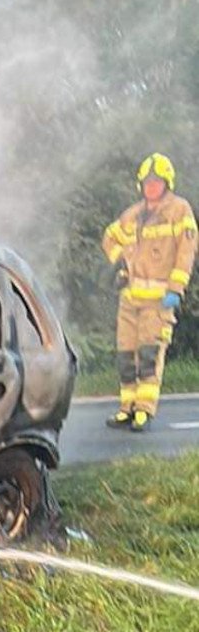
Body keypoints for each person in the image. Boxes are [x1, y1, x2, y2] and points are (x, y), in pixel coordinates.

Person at [102, 152, 198, 432]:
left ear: (167, 183)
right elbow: (109, 239)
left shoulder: (180, 210)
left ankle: (144, 409)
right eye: (147, 182)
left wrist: (176, 289)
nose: (151, 187)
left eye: (156, 182)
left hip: (158, 301)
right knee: (125, 356)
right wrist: (122, 263)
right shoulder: (133, 214)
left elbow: (186, 253)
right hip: (129, 299)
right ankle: (126, 407)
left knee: (148, 356)